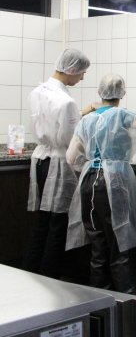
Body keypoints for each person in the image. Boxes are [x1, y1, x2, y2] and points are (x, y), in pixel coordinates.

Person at [66, 74, 136, 294]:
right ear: (122, 93)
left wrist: (92, 164)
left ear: (99, 93)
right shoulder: (122, 115)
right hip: (114, 183)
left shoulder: (86, 120)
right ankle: (127, 303)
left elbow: (71, 157)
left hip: (89, 181)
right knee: (121, 243)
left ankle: (101, 303)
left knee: (98, 245)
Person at [22, 48, 94, 279]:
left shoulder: (38, 91)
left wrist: (81, 114)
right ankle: (50, 278)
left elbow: (53, 126)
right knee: (58, 223)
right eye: (82, 73)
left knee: (42, 221)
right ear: (71, 69)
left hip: (41, 160)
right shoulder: (66, 101)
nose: (82, 78)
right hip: (60, 165)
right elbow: (70, 139)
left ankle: (30, 274)